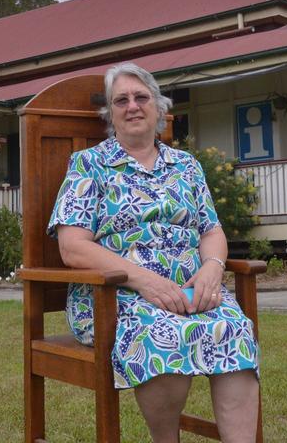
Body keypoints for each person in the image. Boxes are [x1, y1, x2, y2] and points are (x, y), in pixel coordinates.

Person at [48, 63, 260, 443]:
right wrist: (143, 281)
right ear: (110, 114)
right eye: (121, 100)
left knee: (234, 329)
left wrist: (213, 267)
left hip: (189, 290)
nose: (132, 106)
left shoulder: (187, 167)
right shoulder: (89, 165)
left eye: (141, 97)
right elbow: (72, 246)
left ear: (159, 108)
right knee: (163, 333)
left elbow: (211, 230)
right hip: (115, 297)